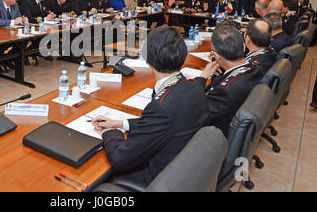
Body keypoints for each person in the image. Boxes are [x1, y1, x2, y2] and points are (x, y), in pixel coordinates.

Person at [91, 26, 209, 187]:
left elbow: (120, 159)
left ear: (147, 59)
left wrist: (110, 132)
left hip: (158, 179)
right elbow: (163, 123)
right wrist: (120, 123)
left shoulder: (161, 106)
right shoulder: (194, 86)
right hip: (185, 170)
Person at [196, 25, 264, 135]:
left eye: (212, 51)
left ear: (217, 56)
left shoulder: (225, 91)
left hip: (215, 136)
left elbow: (197, 113)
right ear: (243, 47)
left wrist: (201, 79)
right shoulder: (257, 68)